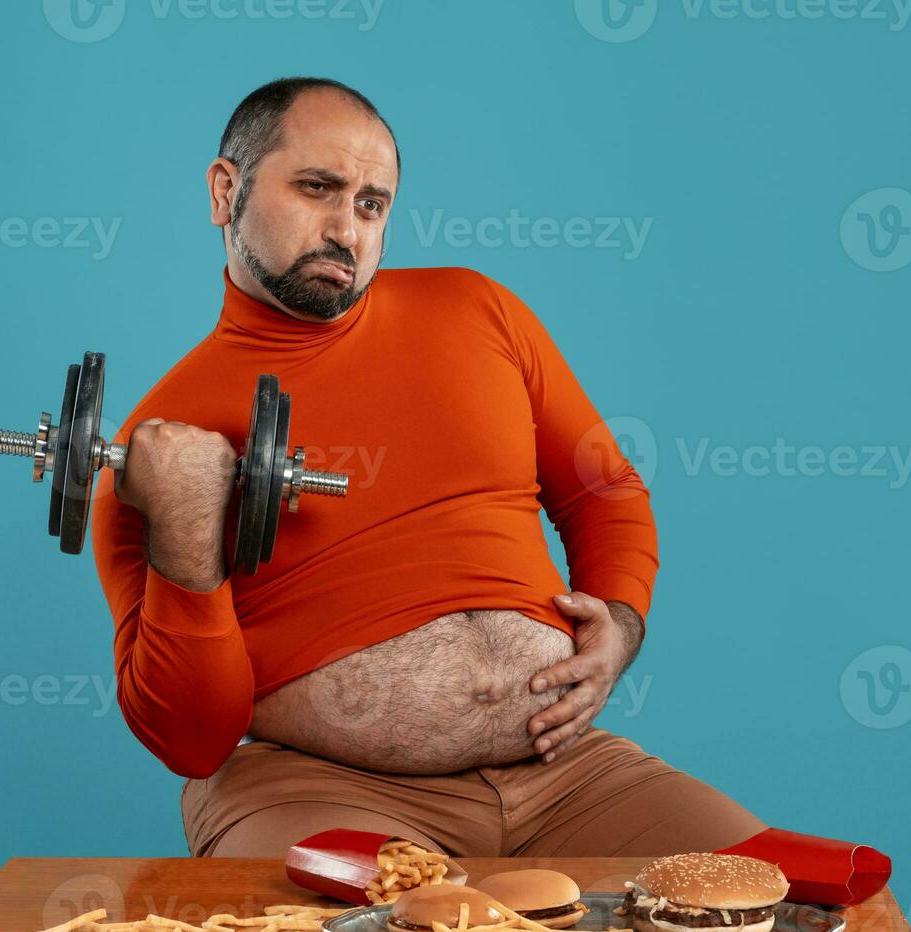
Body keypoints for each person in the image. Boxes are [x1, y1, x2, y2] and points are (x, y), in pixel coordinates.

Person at [90, 77, 765, 858]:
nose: (346, 229)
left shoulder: (478, 312)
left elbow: (603, 490)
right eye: (317, 188)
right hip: (313, 786)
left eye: (372, 205)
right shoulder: (159, 447)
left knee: (784, 913)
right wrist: (184, 532)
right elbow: (192, 740)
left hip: (563, 774)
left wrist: (617, 625)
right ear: (225, 191)